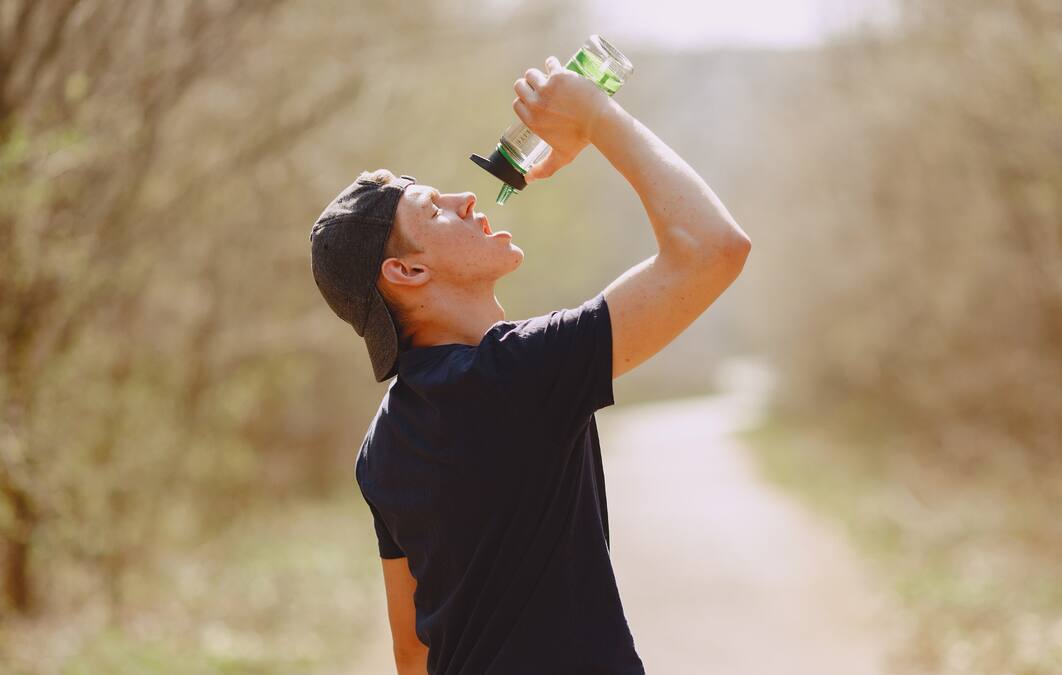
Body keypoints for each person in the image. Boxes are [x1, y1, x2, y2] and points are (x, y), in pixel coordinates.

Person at [309, 55, 751, 675]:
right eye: (433, 209)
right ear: (407, 271)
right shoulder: (517, 375)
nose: (466, 198)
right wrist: (597, 118)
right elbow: (714, 248)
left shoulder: (382, 443)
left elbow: (412, 650)